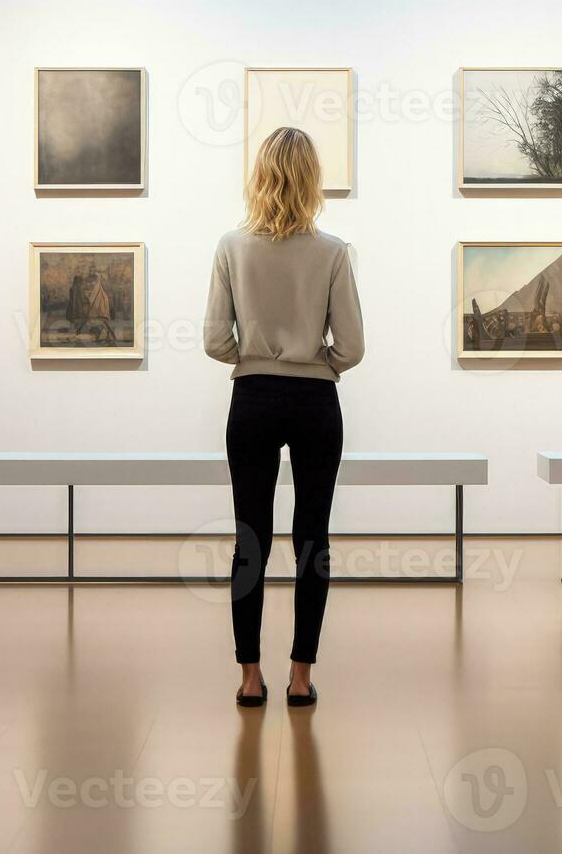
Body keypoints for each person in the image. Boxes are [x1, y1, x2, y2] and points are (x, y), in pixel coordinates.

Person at [204, 126, 365, 709]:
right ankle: (300, 677)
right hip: (315, 402)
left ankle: (250, 678)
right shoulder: (333, 252)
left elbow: (213, 340)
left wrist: (254, 354)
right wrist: (312, 359)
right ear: (313, 179)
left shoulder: (231, 246)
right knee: (312, 539)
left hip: (250, 398)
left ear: (260, 176)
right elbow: (351, 348)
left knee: (250, 537)